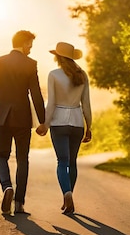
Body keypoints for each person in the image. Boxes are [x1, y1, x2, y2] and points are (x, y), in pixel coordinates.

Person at [0, 30, 46, 215]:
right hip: (22, 118)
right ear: (24, 43)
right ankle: (19, 203)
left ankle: (6, 187)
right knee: (22, 159)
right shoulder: (30, 64)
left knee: (1, 156)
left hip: (1, 117)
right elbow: (36, 93)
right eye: (30, 45)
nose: (31, 49)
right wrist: (43, 121)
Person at [36, 42, 92, 214]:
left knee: (62, 161)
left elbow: (51, 103)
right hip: (77, 123)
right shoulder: (82, 75)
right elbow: (86, 105)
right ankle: (69, 196)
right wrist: (89, 127)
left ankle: (67, 195)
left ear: (58, 57)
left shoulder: (53, 75)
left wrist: (45, 123)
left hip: (58, 123)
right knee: (73, 162)